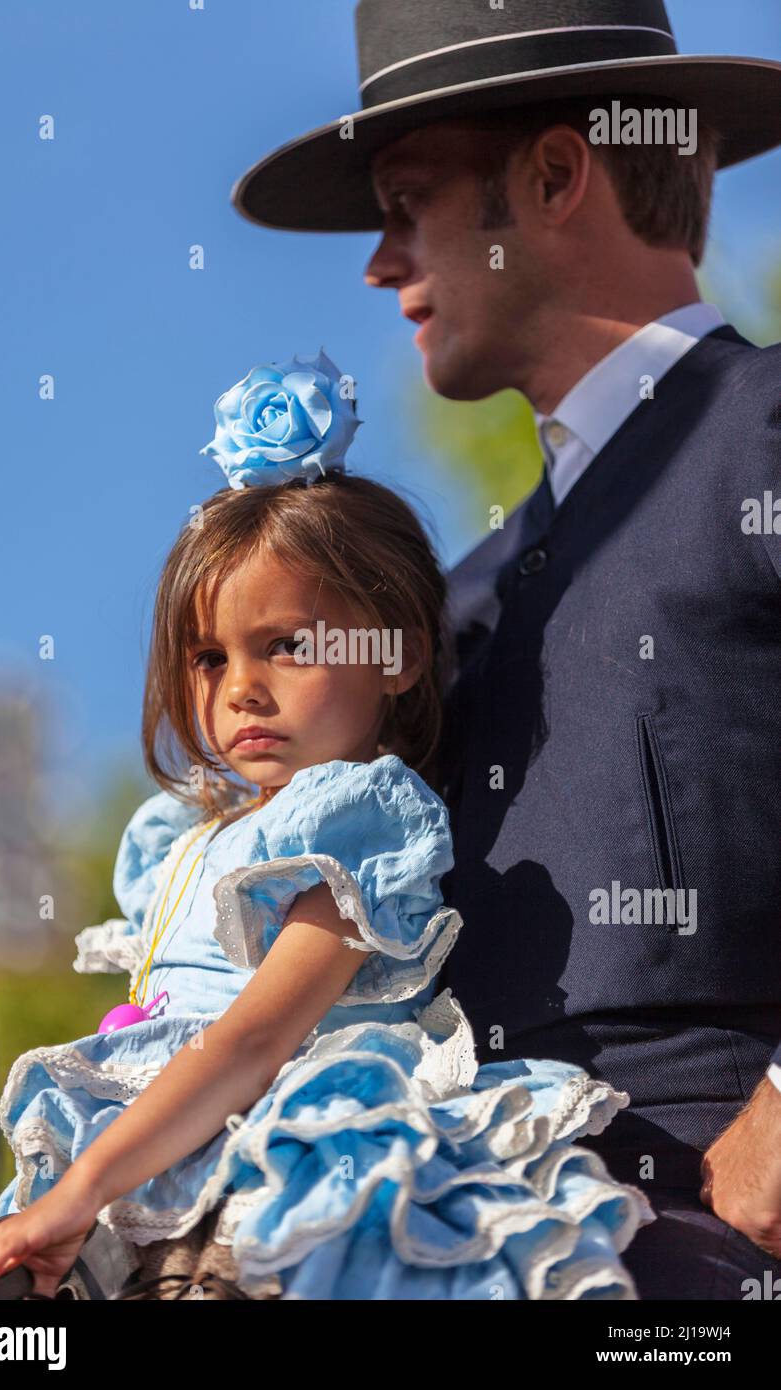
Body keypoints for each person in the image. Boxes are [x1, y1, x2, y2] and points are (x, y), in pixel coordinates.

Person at [229, 3, 781, 1298]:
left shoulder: (761, 428)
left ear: (549, 177)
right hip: (449, 1218)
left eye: (407, 200)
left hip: (709, 1229)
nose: (377, 262)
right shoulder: (455, 594)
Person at [0, 350, 653, 1300]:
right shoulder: (178, 838)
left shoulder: (357, 821)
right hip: (156, 1161)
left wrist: (81, 1186)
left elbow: (251, 1039)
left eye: (288, 645)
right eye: (207, 657)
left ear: (398, 655)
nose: (241, 686)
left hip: (278, 1160)